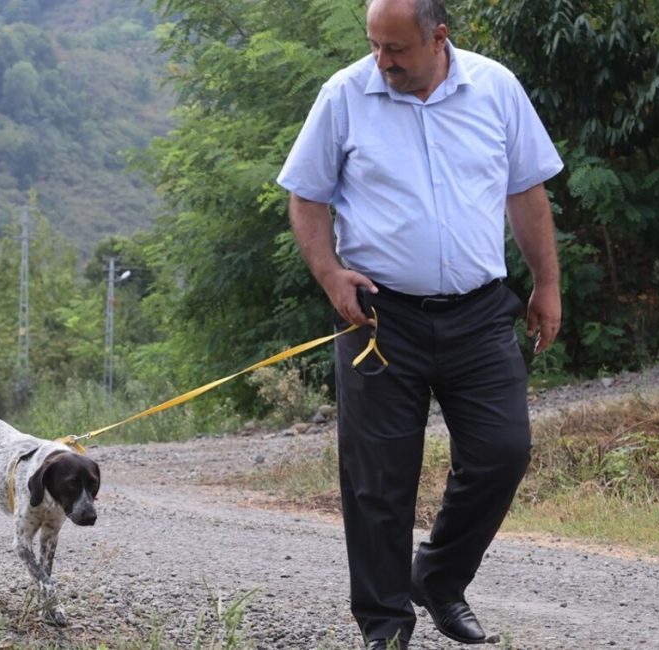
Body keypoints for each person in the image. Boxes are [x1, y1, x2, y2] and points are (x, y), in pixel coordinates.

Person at [276, 0, 563, 647]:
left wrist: (547, 285)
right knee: (378, 481)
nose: (382, 61)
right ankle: (385, 625)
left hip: (482, 311)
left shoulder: (496, 88)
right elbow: (306, 195)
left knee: (502, 453)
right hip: (379, 317)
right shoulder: (344, 95)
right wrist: (329, 274)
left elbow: (526, 192)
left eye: (395, 49)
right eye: (374, 46)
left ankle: (437, 575)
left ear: (439, 38)